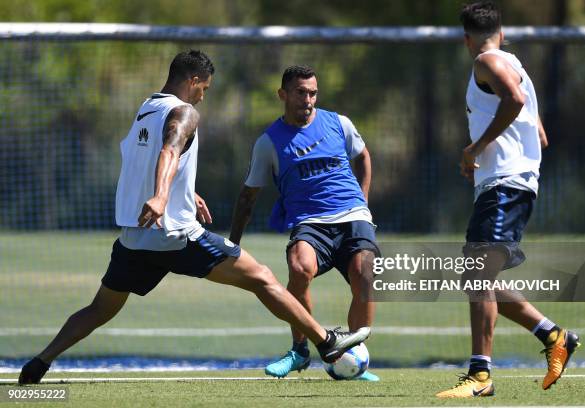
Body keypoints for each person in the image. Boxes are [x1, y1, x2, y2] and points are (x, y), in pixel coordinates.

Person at [18, 51, 370, 385]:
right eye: (204, 88)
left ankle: (41, 361)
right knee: (263, 278)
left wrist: (183, 193)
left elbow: (146, 159)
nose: (203, 96)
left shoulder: (146, 109)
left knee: (99, 309)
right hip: (176, 235)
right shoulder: (185, 112)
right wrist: (160, 196)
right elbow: (171, 149)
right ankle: (326, 342)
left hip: (134, 237)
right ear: (194, 80)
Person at [435, 2, 579, 398]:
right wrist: (486, 158)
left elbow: (513, 102)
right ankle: (553, 335)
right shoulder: (516, 64)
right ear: (501, 30)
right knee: (476, 276)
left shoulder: (487, 62)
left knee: (477, 275)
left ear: (466, 38)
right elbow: (540, 136)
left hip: (506, 184)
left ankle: (480, 375)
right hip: (507, 182)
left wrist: (476, 147)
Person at [229, 66, 379, 381]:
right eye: (300, 92)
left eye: (312, 92)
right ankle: (300, 351)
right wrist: (233, 244)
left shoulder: (339, 123)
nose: (307, 99)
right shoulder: (268, 143)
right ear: (283, 95)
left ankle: (354, 358)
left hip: (352, 214)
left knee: (366, 273)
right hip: (310, 221)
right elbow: (248, 196)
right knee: (299, 268)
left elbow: (363, 156)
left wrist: (363, 204)